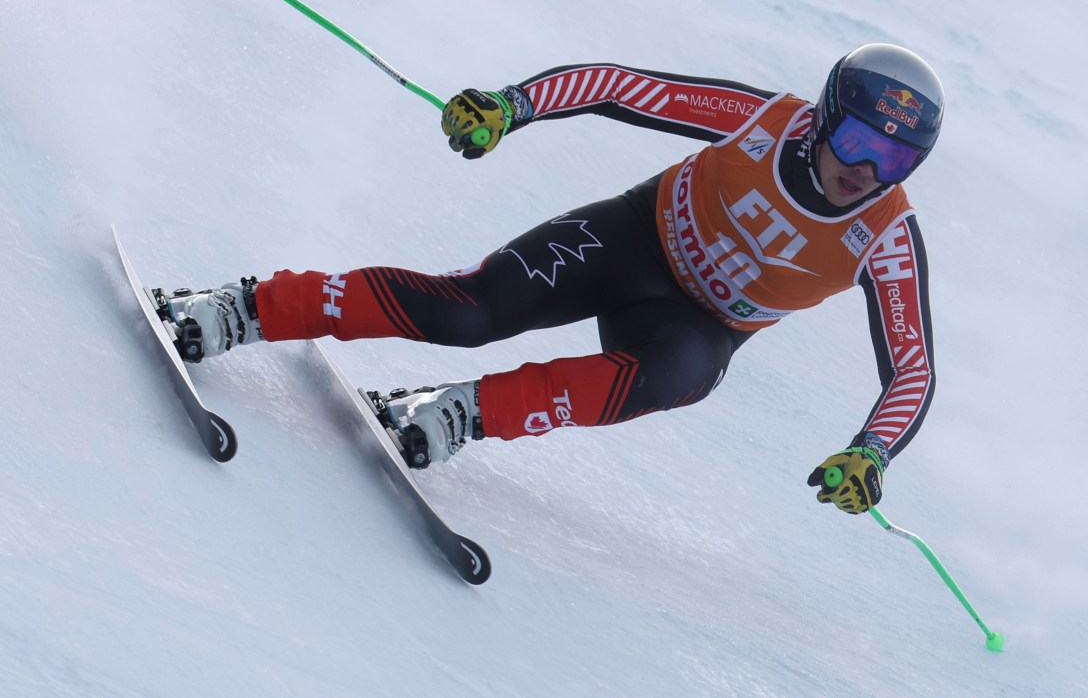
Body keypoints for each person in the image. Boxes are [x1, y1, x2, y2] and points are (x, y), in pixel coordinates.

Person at [164, 43, 943, 515]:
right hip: (630, 240)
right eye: (855, 139)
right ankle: (245, 306)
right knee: (469, 313)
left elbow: (911, 367)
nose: (866, 171)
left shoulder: (887, 235)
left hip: (695, 325)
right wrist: (513, 106)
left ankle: (457, 412)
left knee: (682, 374)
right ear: (821, 116)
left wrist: (871, 452)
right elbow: (621, 87)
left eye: (897, 161)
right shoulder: (762, 118)